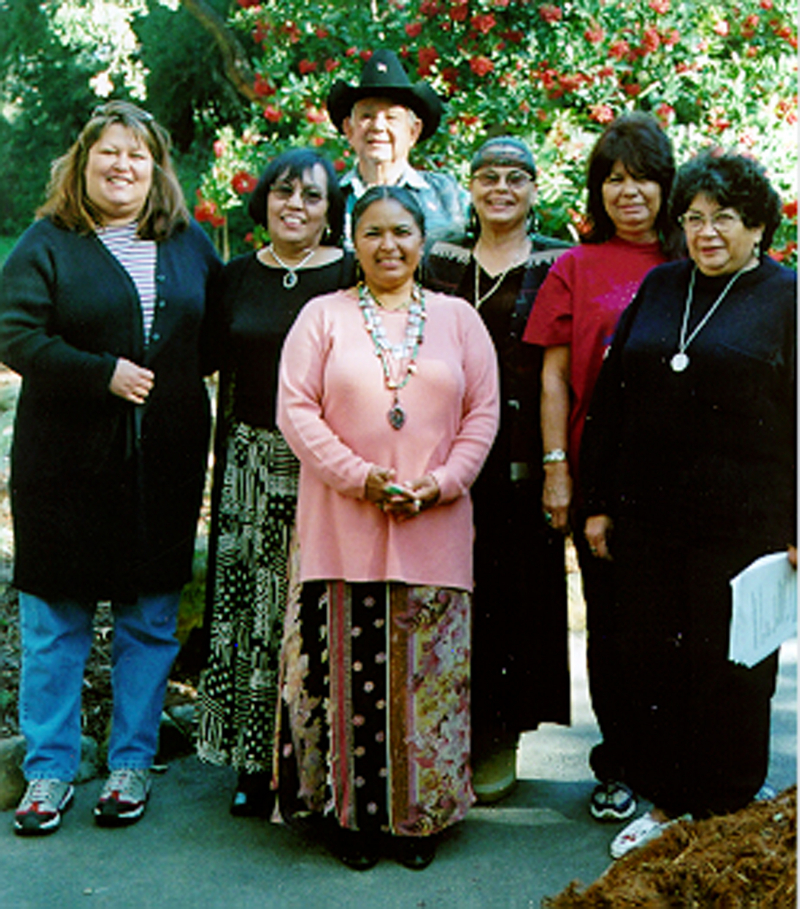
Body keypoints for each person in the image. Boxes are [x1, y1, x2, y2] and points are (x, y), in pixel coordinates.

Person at [0, 101, 220, 835]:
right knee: (56, 622)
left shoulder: (189, 244)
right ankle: (50, 770)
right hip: (62, 469)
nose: (122, 166)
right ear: (82, 163)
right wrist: (101, 374)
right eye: (108, 154)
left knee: (150, 619)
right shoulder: (48, 242)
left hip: (162, 465)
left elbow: (218, 333)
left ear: (157, 168)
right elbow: (14, 333)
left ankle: (129, 760)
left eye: (138, 154)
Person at [274, 185, 499, 870]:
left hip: (434, 526)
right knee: (344, 677)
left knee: (424, 682)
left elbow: (482, 414)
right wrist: (361, 476)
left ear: (422, 238)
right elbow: (296, 410)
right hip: (342, 523)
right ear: (354, 240)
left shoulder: (459, 318)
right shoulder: (322, 315)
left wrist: (442, 482)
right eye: (372, 233)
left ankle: (418, 819)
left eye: (401, 231)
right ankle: (351, 818)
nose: (388, 246)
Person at [579, 150, 796, 858]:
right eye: (695, 218)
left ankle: (727, 807)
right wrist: (600, 502)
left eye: (724, 219)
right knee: (656, 661)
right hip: (650, 517)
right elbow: (613, 403)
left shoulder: (786, 298)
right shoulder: (663, 284)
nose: (706, 232)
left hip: (745, 524)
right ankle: (671, 801)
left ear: (758, 227)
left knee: (731, 668)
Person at [523, 112, 679, 823]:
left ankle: (680, 763)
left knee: (682, 624)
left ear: (666, 184)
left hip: (687, 482)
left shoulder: (696, 257)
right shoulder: (575, 267)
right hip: (602, 478)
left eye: (642, 175)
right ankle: (617, 764)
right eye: (613, 178)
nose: (629, 191)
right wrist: (558, 468)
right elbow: (553, 378)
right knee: (614, 626)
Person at [195, 149, 354, 816]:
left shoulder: (350, 274)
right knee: (251, 614)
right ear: (263, 201)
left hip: (330, 465)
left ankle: (318, 760)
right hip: (253, 464)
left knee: (315, 611)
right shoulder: (233, 278)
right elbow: (206, 363)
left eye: (312, 197)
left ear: (330, 212)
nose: (296, 205)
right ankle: (251, 759)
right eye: (284, 192)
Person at [423, 137, 570, 803]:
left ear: (535, 190)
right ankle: (445, 734)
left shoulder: (556, 259)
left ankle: (499, 736)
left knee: (514, 602)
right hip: (444, 454)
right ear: (471, 187)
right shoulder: (442, 254)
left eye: (516, 178)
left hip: (518, 454)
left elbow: (557, 371)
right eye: (488, 177)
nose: (501, 188)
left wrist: (554, 464)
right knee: (448, 597)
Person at [327, 48, 467, 246]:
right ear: (349, 129)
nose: (377, 126)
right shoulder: (326, 198)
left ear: (413, 131)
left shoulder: (448, 196)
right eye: (367, 116)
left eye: (391, 117)